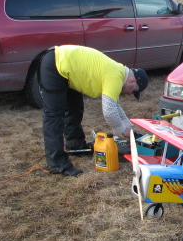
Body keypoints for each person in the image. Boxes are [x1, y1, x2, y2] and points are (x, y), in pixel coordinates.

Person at [39, 45, 148, 177]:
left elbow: (115, 106)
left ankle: (76, 145)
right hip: (55, 64)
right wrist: (122, 130)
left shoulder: (118, 72)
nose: (130, 94)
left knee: (75, 108)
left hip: (66, 68)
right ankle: (57, 163)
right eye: (133, 91)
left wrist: (129, 128)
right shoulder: (115, 75)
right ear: (132, 81)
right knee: (54, 116)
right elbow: (109, 112)